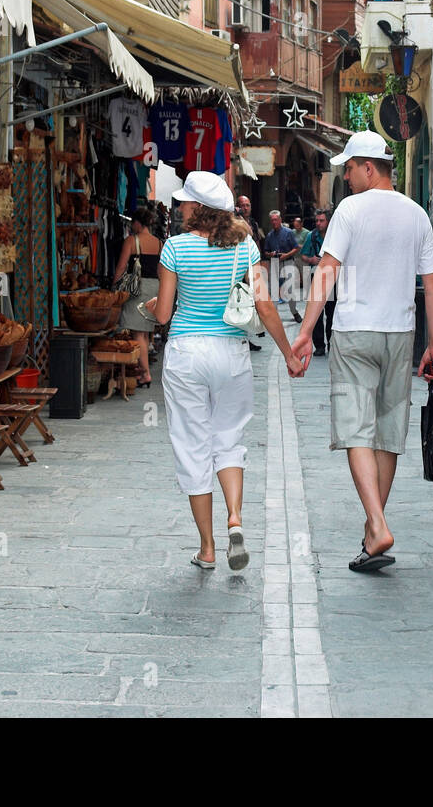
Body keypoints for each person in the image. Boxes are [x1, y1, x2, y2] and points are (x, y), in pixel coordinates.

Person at [291, 131, 433, 573]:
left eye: (350, 168)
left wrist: (304, 332)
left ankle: (377, 524)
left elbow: (327, 270)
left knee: (357, 430)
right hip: (399, 334)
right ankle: (372, 529)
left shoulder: (350, 210)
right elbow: (431, 285)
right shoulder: (416, 214)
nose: (346, 176)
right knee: (388, 432)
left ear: (369, 167)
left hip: (355, 333)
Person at [146, 171, 304, 572]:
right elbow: (265, 306)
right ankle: (235, 517)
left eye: (184, 202)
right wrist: (288, 353)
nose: (179, 207)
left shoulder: (174, 249)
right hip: (231, 353)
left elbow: (165, 313)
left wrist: (150, 307)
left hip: (186, 354)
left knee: (192, 445)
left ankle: (208, 548)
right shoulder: (245, 247)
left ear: (198, 209)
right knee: (229, 441)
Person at [114, 206, 163, 386]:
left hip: (137, 287)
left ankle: (145, 373)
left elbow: (121, 267)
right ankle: (144, 372)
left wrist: (115, 286)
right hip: (154, 287)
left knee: (137, 333)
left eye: (133, 223)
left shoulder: (131, 241)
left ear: (137, 223)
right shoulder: (159, 243)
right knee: (143, 333)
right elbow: (161, 270)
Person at [299, 208, 335, 356]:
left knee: (332, 312)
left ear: (328, 221)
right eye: (317, 221)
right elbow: (304, 255)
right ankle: (319, 345)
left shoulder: (335, 235)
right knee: (317, 312)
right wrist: (311, 259)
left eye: (322, 221)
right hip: (316, 276)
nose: (318, 223)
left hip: (333, 277)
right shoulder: (311, 236)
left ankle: (332, 344)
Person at [263, 209, 303, 323]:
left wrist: (286, 255)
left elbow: (296, 247)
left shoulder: (288, 232)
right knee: (274, 290)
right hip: (275, 263)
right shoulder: (270, 235)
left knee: (290, 290)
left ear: (280, 220)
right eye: (272, 220)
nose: (274, 222)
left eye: (276, 219)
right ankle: (274, 315)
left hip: (288, 262)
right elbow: (265, 251)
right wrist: (269, 254)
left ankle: (294, 312)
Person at [236, 195, 265, 350]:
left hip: (252, 264)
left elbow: (257, 241)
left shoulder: (253, 222)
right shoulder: (234, 221)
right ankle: (244, 336)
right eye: (243, 205)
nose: (246, 208)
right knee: (241, 300)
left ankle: (250, 334)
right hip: (240, 266)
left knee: (252, 300)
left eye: (248, 205)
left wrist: (259, 261)